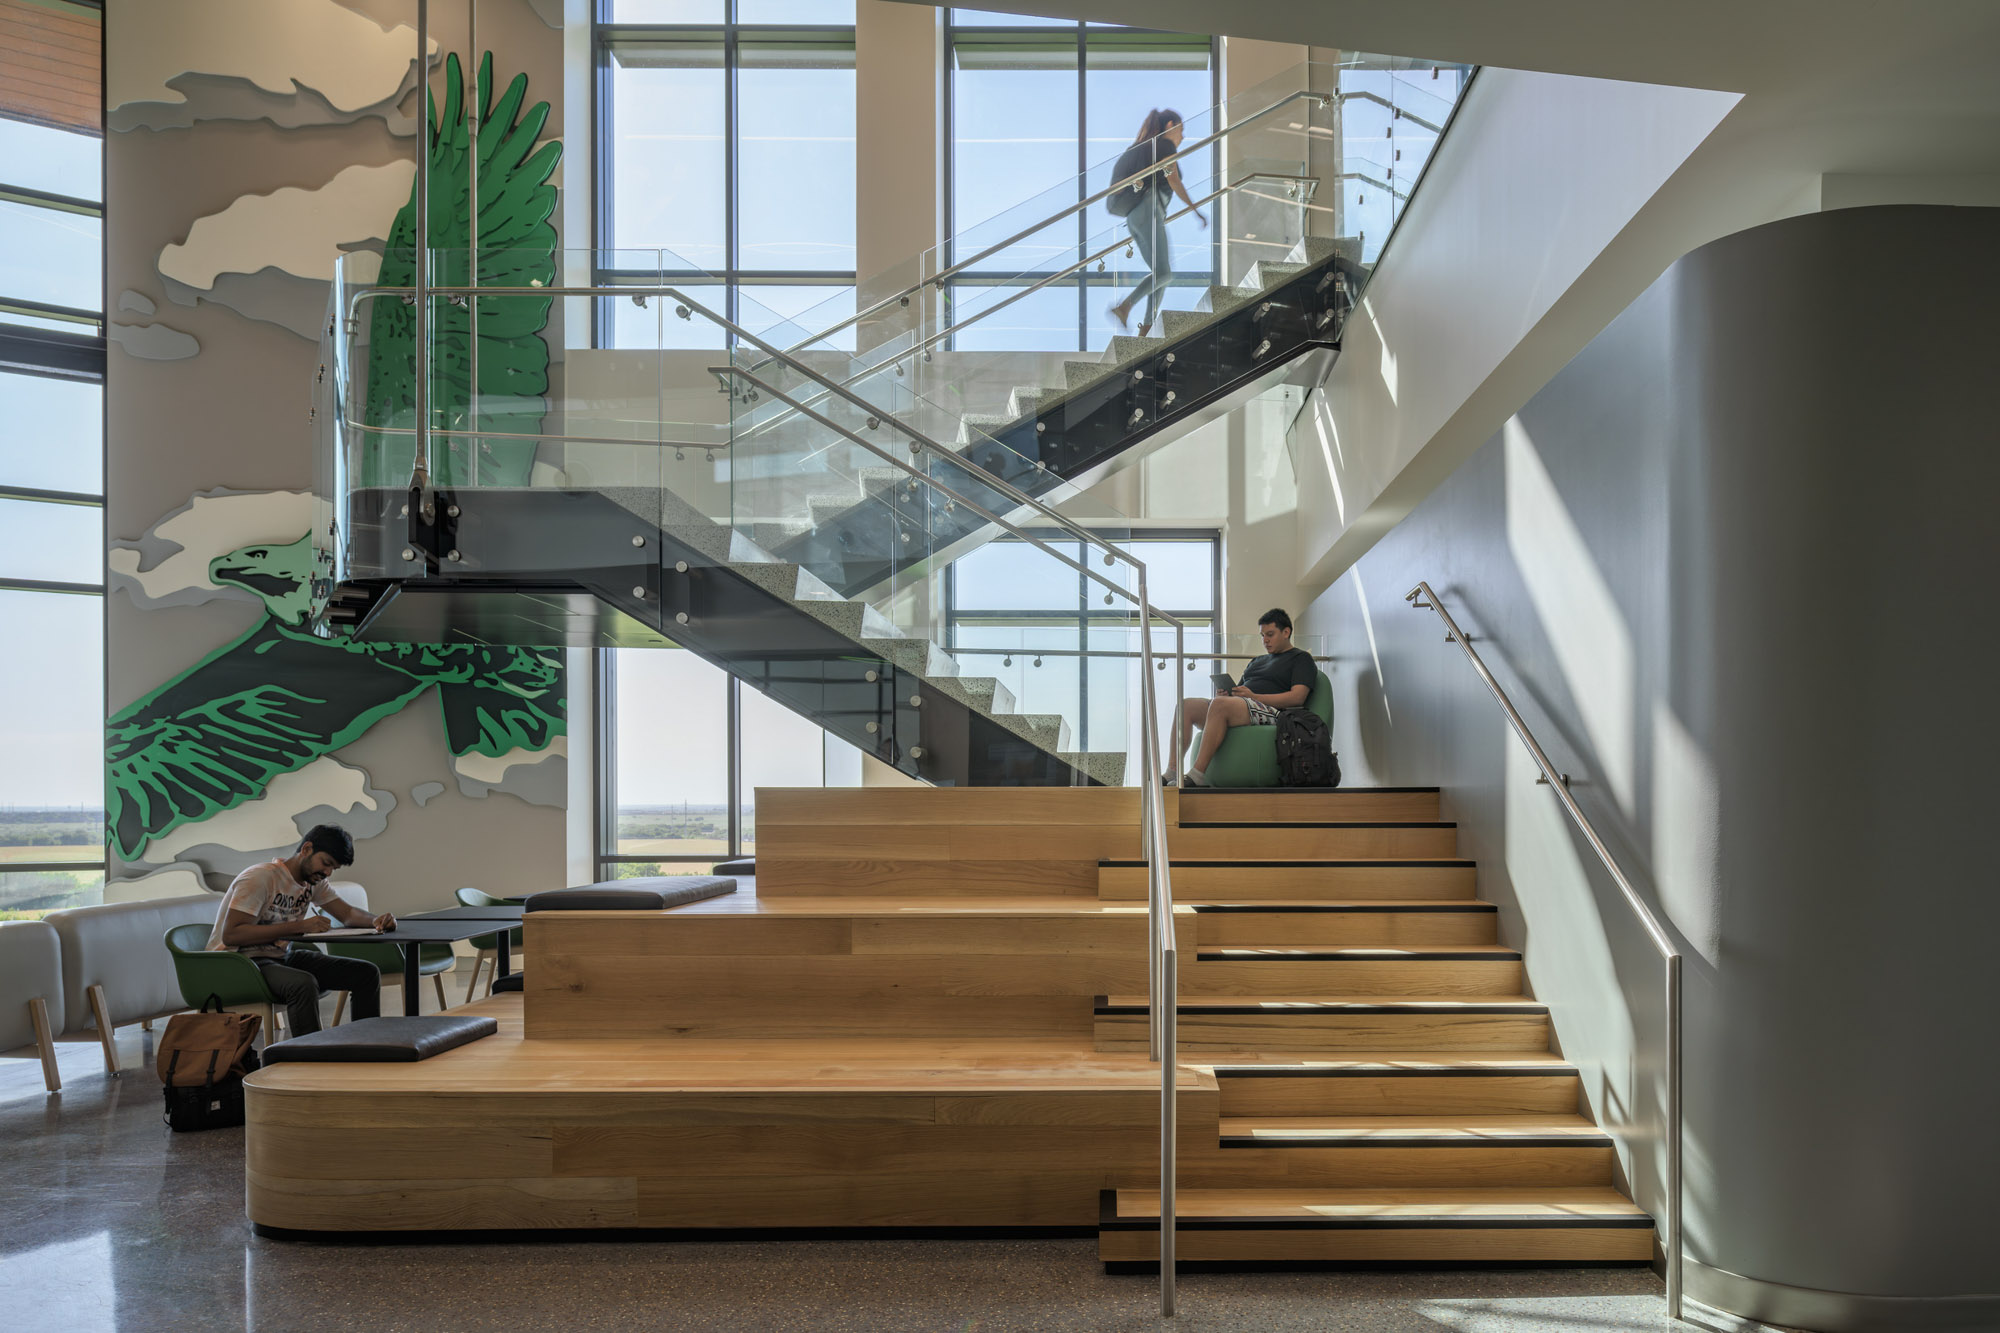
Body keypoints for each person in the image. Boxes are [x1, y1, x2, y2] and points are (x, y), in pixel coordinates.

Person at [205, 824, 394, 1037]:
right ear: (306, 849)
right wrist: (300, 926)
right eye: (326, 863)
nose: (327, 872)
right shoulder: (260, 878)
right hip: (239, 963)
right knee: (303, 984)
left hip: (278, 957)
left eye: (334, 868)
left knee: (366, 973)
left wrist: (376, 920)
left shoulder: (313, 882)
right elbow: (232, 934)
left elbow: (348, 913)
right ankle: (310, 1055)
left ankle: (367, 1046)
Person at [1174, 608, 1317, 787]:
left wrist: (1254, 697)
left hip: (1275, 713)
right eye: (1262, 636)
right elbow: (1240, 692)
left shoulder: (1301, 658)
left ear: (1286, 632)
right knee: (1186, 706)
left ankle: (1197, 775)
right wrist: (1228, 694)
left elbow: (1297, 697)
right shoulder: (1256, 661)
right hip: (1245, 706)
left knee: (1220, 705)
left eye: (1270, 634)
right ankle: (1172, 770)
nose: (1265, 640)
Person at [1107, 108, 1207, 337]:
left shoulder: (1143, 148)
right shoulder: (1165, 145)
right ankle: (1125, 307)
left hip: (1134, 217)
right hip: (1149, 210)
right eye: (1181, 129)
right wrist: (1195, 211)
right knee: (1164, 274)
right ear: (1170, 125)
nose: (1182, 136)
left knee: (1159, 274)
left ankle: (1147, 327)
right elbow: (1174, 180)